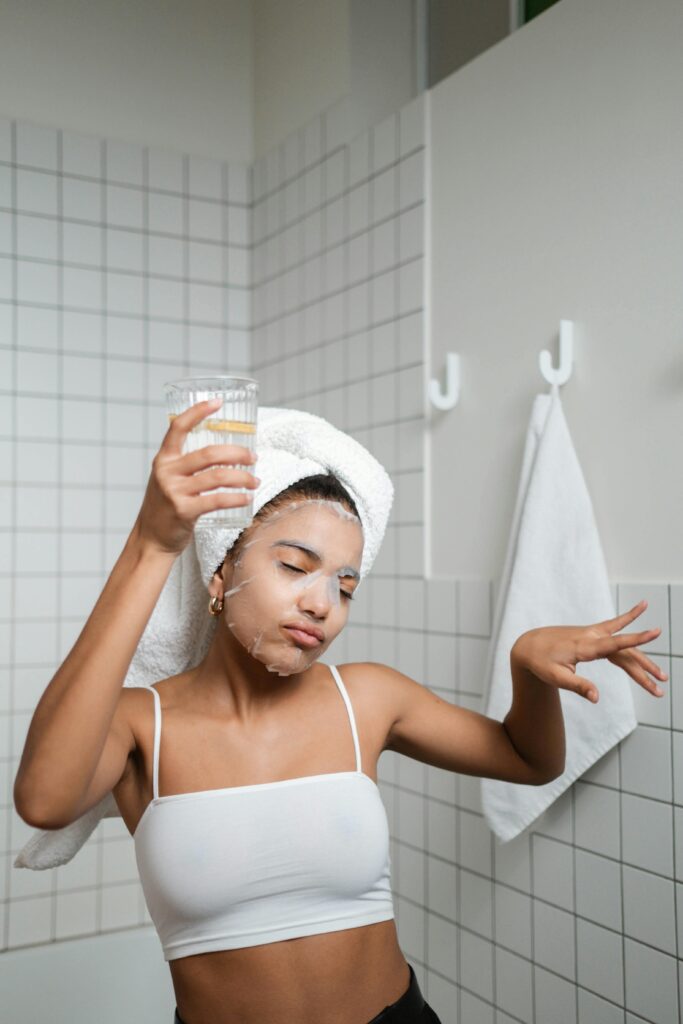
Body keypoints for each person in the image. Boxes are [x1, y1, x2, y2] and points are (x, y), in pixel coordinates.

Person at [14, 400, 667, 1024]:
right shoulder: (139, 724)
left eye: (344, 585)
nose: (322, 603)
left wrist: (525, 668)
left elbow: (528, 761)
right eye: (295, 565)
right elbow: (44, 800)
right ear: (220, 574)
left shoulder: (367, 698)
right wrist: (152, 545)